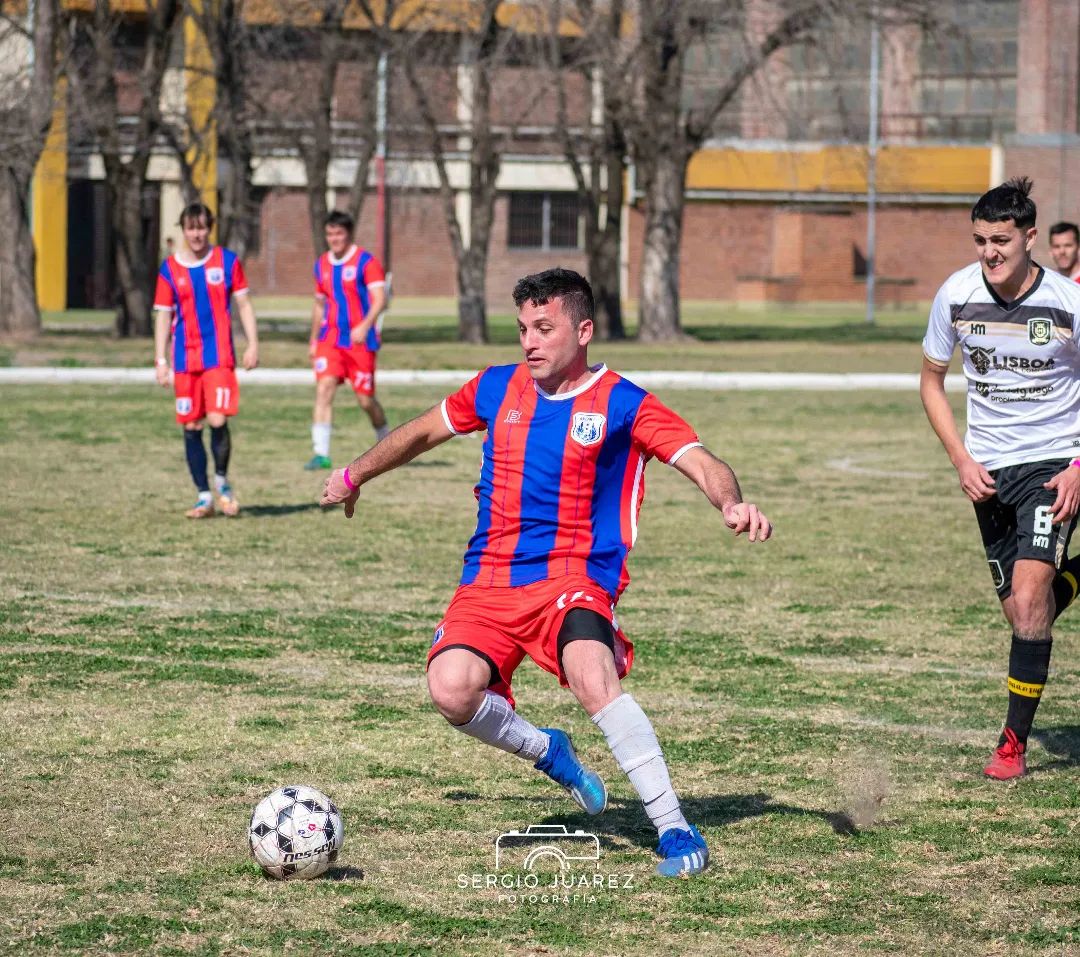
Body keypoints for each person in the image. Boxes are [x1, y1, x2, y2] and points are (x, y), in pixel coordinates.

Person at [320, 268, 772, 876]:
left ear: (583, 331)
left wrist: (730, 502)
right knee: (450, 689)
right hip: (489, 577)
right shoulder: (496, 388)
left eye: (544, 327)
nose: (529, 342)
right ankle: (546, 750)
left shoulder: (621, 401)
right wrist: (355, 473)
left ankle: (674, 829)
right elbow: (423, 431)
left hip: (574, 576)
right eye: (522, 329)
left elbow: (698, 459)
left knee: (593, 675)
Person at [921, 177, 1080, 780]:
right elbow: (931, 382)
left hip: (1052, 465)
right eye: (980, 240)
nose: (989, 252)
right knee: (1021, 617)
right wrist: (961, 458)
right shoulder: (956, 295)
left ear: (1030, 238)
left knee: (1034, 605)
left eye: (1001, 241)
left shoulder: (1068, 302)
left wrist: (1077, 468)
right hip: (988, 470)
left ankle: (1010, 745)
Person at [153, 202, 259, 518]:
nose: (196, 234)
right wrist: (160, 360)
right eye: (191, 228)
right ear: (183, 230)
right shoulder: (169, 269)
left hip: (218, 356)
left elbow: (244, 305)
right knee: (192, 424)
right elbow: (163, 315)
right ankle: (203, 496)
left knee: (217, 419)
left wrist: (253, 344)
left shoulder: (227, 262)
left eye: (201, 227)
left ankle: (223, 485)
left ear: (209, 228)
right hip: (185, 359)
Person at [305, 210, 390, 469]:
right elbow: (320, 305)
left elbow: (380, 299)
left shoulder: (366, 262)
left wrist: (365, 325)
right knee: (324, 389)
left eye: (339, 233)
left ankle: (386, 441)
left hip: (360, 343)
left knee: (365, 399)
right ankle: (321, 453)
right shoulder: (321, 265)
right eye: (330, 233)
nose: (334, 238)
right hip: (330, 340)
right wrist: (313, 340)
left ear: (349, 234)